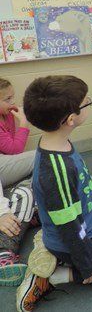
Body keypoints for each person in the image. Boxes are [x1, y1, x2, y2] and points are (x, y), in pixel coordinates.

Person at [17, 75, 92, 312]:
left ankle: (57, 251)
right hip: (73, 236)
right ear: (71, 119)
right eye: (87, 102)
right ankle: (55, 276)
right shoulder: (56, 171)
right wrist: (87, 265)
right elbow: (70, 226)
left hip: (85, 225)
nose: (89, 103)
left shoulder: (56, 140)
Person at [0, 78, 36, 286]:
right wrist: (2, 213)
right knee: (40, 157)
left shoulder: (6, 117)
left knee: (27, 191)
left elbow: (11, 148)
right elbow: (15, 149)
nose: (13, 101)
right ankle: (4, 252)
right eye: (8, 99)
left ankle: (25, 212)